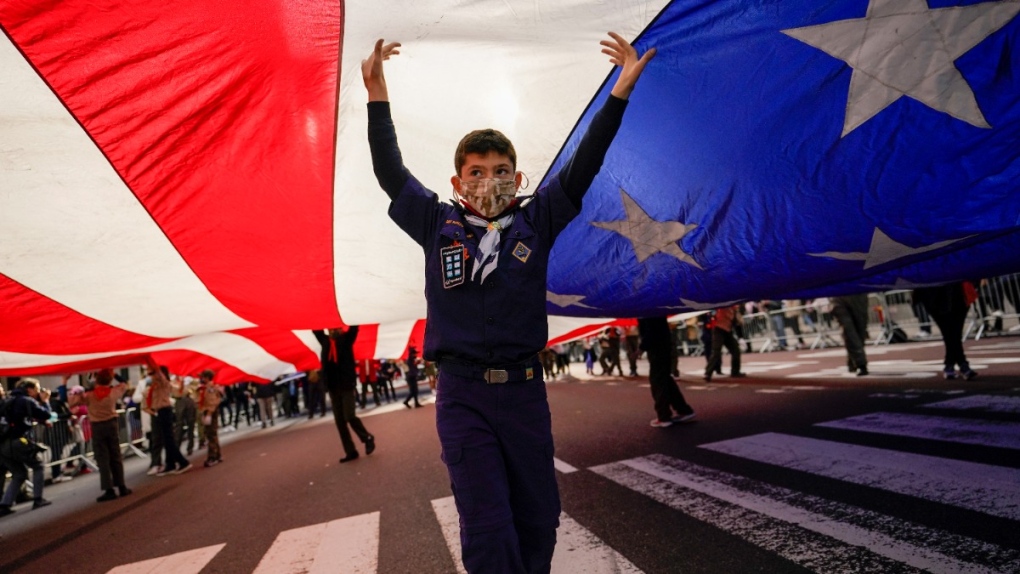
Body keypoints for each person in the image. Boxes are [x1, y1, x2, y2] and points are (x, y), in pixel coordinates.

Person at [363, 31, 654, 573]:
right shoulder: (435, 223)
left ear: (517, 178)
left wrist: (619, 96)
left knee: (538, 518)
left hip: (524, 395)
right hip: (462, 397)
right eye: (476, 171)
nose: (489, 180)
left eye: (500, 171)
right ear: (457, 180)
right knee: (487, 525)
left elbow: (585, 163)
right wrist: (377, 96)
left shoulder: (537, 218)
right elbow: (389, 173)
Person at [313, 328, 376, 463]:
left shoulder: (346, 340)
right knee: (339, 422)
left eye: (335, 327)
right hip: (333, 387)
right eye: (330, 328)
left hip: (346, 385)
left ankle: (367, 438)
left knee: (349, 415)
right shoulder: (325, 342)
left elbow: (354, 326)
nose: (332, 330)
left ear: (340, 329)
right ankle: (350, 451)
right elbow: (315, 329)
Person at [69, 369, 132, 502]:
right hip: (112, 424)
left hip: (97, 426)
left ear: (96, 379)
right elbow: (125, 383)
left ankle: (108, 489)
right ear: (109, 379)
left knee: (102, 458)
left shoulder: (89, 395)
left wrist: (65, 382)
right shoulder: (114, 392)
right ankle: (121, 486)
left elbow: (72, 403)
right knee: (115, 456)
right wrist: (114, 374)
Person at [0, 379, 53, 516]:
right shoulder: (26, 401)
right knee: (38, 466)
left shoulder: (7, 400)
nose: (37, 393)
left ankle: (5, 504)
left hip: (4, 444)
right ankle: (38, 499)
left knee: (19, 473)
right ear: (29, 389)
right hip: (20, 441)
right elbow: (46, 414)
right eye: (36, 389)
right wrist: (45, 401)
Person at [913, 282, 979, 380]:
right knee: (951, 333)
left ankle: (953, 365)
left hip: (957, 292)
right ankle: (960, 365)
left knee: (954, 333)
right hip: (934, 295)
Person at [639, 317, 696, 427]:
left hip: (657, 347)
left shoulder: (647, 309)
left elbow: (652, 330)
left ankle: (664, 416)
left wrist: (641, 348)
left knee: (658, 381)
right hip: (663, 344)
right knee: (665, 379)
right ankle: (683, 410)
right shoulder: (656, 307)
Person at [144, 358, 193, 475]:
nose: (150, 376)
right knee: (167, 440)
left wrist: (148, 359)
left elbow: (157, 371)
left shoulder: (162, 382)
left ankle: (183, 462)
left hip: (164, 411)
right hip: (160, 412)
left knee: (169, 440)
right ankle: (170, 464)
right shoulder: (156, 385)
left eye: (152, 373)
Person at [704, 304, 746, 382]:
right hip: (718, 330)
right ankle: (708, 373)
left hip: (727, 331)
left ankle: (735, 371)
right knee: (716, 351)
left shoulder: (734, 309)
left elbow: (737, 322)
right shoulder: (724, 305)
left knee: (735, 350)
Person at [832, 293, 870, 376]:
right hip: (838, 295)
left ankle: (853, 359)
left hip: (858, 292)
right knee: (848, 330)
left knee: (860, 329)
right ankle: (860, 363)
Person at [196, 370, 224, 467]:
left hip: (210, 412)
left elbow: (212, 402)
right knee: (213, 434)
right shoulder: (206, 388)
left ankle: (212, 457)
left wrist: (208, 414)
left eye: (203, 377)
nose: (201, 379)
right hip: (208, 411)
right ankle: (218, 454)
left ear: (207, 377)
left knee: (211, 434)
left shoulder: (210, 388)